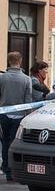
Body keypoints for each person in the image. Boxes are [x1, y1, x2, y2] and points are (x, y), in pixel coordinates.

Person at [0, 52, 32, 182]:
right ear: (20, 61)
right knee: (15, 143)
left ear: (9, 61)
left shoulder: (2, 78)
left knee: (5, 142)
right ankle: (13, 170)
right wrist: (28, 117)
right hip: (19, 116)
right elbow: (28, 100)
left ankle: (6, 168)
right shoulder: (26, 79)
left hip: (3, 115)